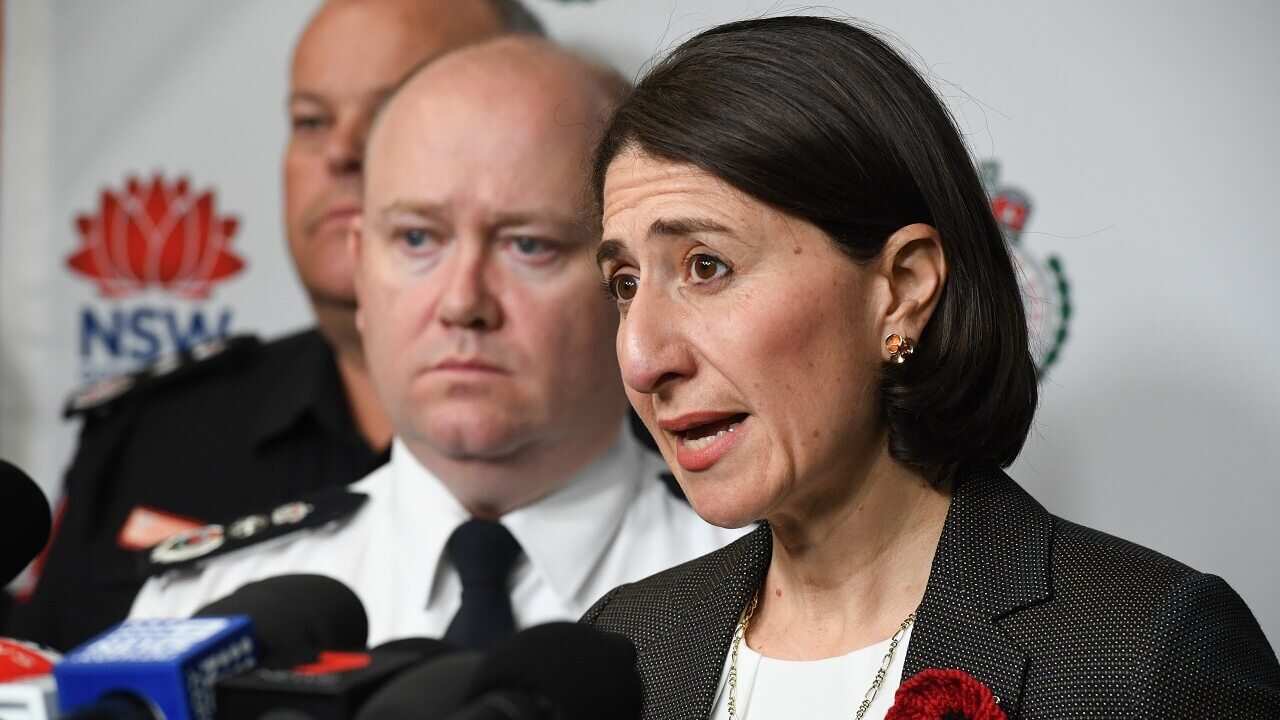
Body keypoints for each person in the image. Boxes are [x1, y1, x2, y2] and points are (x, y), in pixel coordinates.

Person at [583, 16, 1280, 719]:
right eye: (624, 284)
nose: (644, 359)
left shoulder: (1146, 656)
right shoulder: (627, 649)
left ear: (904, 288)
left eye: (708, 267)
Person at [129, 36, 744, 648]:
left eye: (528, 244)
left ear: (624, 282)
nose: (462, 303)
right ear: (360, 269)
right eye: (418, 240)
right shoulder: (208, 607)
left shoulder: (770, 594)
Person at [5, 0, 545, 651]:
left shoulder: (667, 442)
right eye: (311, 120)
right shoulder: (155, 436)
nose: (343, 151)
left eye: (395, 111)